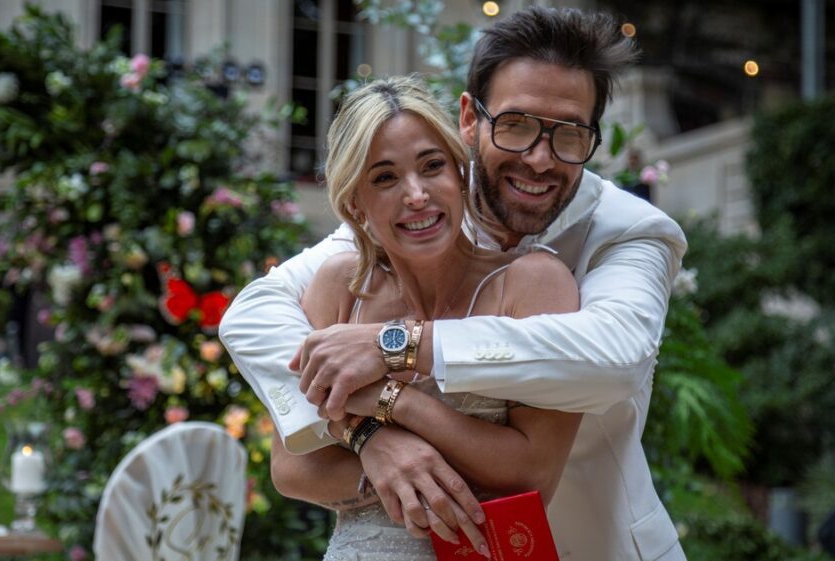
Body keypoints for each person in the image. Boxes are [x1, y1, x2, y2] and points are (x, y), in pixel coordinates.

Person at [220, 6, 688, 561]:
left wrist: (393, 356)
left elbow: (617, 361)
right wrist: (369, 438)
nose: (539, 159)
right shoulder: (414, 216)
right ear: (471, 120)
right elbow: (254, 311)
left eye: (568, 134)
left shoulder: (632, 233)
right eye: (516, 125)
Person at [269, 75, 582, 560]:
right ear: (355, 203)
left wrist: (397, 402)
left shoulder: (532, 283)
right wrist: (377, 449)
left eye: (432, 166)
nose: (416, 195)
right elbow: (291, 468)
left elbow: (534, 474)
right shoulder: (340, 287)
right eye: (385, 177)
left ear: (460, 173)